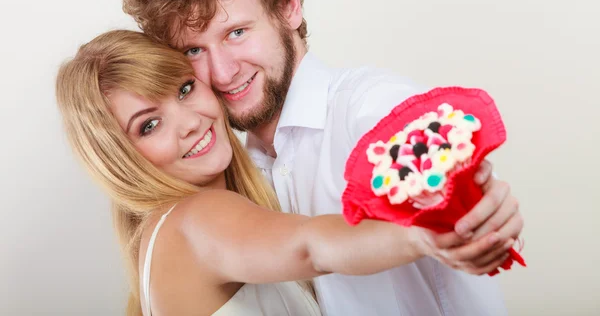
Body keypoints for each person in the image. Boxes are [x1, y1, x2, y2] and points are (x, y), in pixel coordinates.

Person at [121, 0, 524, 315]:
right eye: (194, 51)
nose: (223, 72)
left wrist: (481, 209)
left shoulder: (370, 107)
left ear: (288, 5)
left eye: (236, 33)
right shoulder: (233, 175)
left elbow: (448, 179)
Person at [55, 30, 508, 316]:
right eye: (149, 125)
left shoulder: (167, 231)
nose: (191, 120)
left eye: (185, 88)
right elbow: (311, 246)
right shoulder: (196, 217)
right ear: (117, 157)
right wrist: (421, 236)